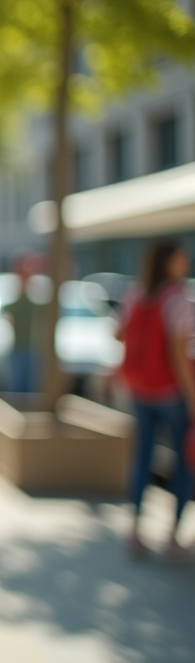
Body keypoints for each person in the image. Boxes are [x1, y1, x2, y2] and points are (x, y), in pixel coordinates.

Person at [119, 238, 194, 560]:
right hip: (169, 391)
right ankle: (174, 535)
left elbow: (118, 333)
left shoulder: (135, 294)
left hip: (139, 388)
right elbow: (178, 355)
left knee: (143, 458)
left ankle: (135, 530)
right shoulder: (177, 299)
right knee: (184, 461)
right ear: (169, 262)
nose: (186, 262)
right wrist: (192, 397)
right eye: (181, 257)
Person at [3, 255, 44, 394]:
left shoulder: (34, 303)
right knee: (18, 385)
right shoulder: (18, 303)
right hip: (19, 347)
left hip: (31, 348)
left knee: (29, 386)